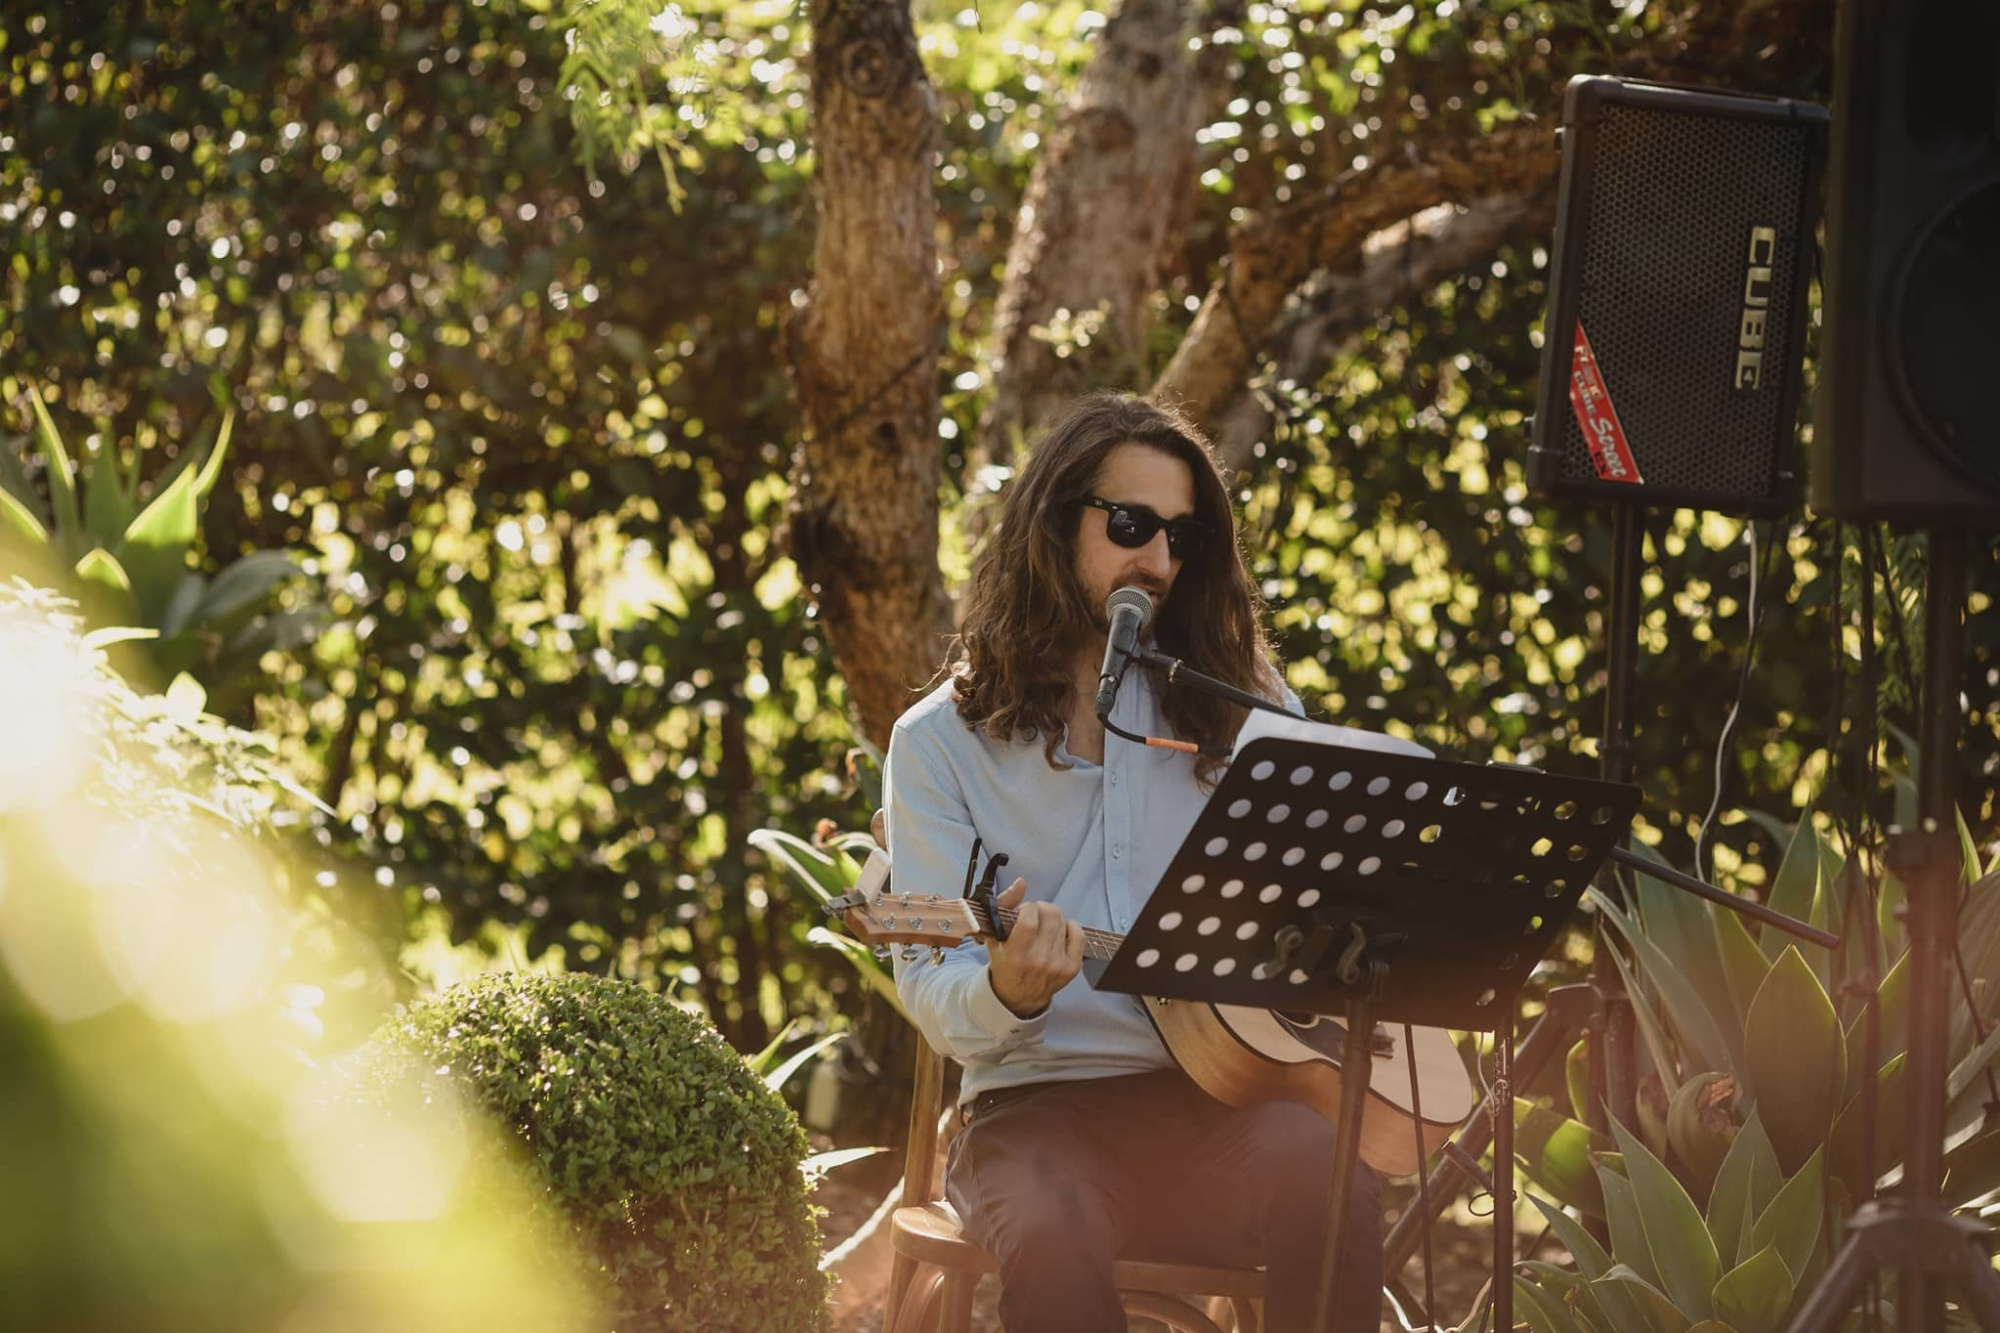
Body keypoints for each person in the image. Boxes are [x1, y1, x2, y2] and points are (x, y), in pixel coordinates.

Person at [884, 392, 1383, 1333]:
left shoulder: (1246, 707)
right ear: (1049, 526)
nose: (1156, 562)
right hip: (1034, 1114)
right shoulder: (937, 743)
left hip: (1226, 1104)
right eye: (1129, 526)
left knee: (1330, 1174)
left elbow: (1323, 909)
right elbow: (937, 992)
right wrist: (1010, 991)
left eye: (1181, 537)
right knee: (1052, 1224)